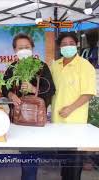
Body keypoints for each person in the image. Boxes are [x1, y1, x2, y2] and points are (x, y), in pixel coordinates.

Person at [2, 33, 55, 180]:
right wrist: (11, 95)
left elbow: (51, 89)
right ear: (15, 50)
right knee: (24, 153)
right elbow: (4, 87)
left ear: (32, 48)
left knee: (30, 156)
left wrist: (33, 89)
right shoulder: (12, 68)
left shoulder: (41, 66)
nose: (24, 49)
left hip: (35, 119)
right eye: (20, 47)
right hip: (18, 118)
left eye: (27, 47)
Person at [51, 32, 96, 180]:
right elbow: (50, 89)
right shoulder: (55, 65)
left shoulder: (85, 65)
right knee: (64, 160)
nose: (68, 46)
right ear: (59, 47)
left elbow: (88, 93)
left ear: (76, 45)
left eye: (71, 43)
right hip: (57, 121)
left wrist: (70, 108)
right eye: (64, 44)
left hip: (75, 122)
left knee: (75, 161)